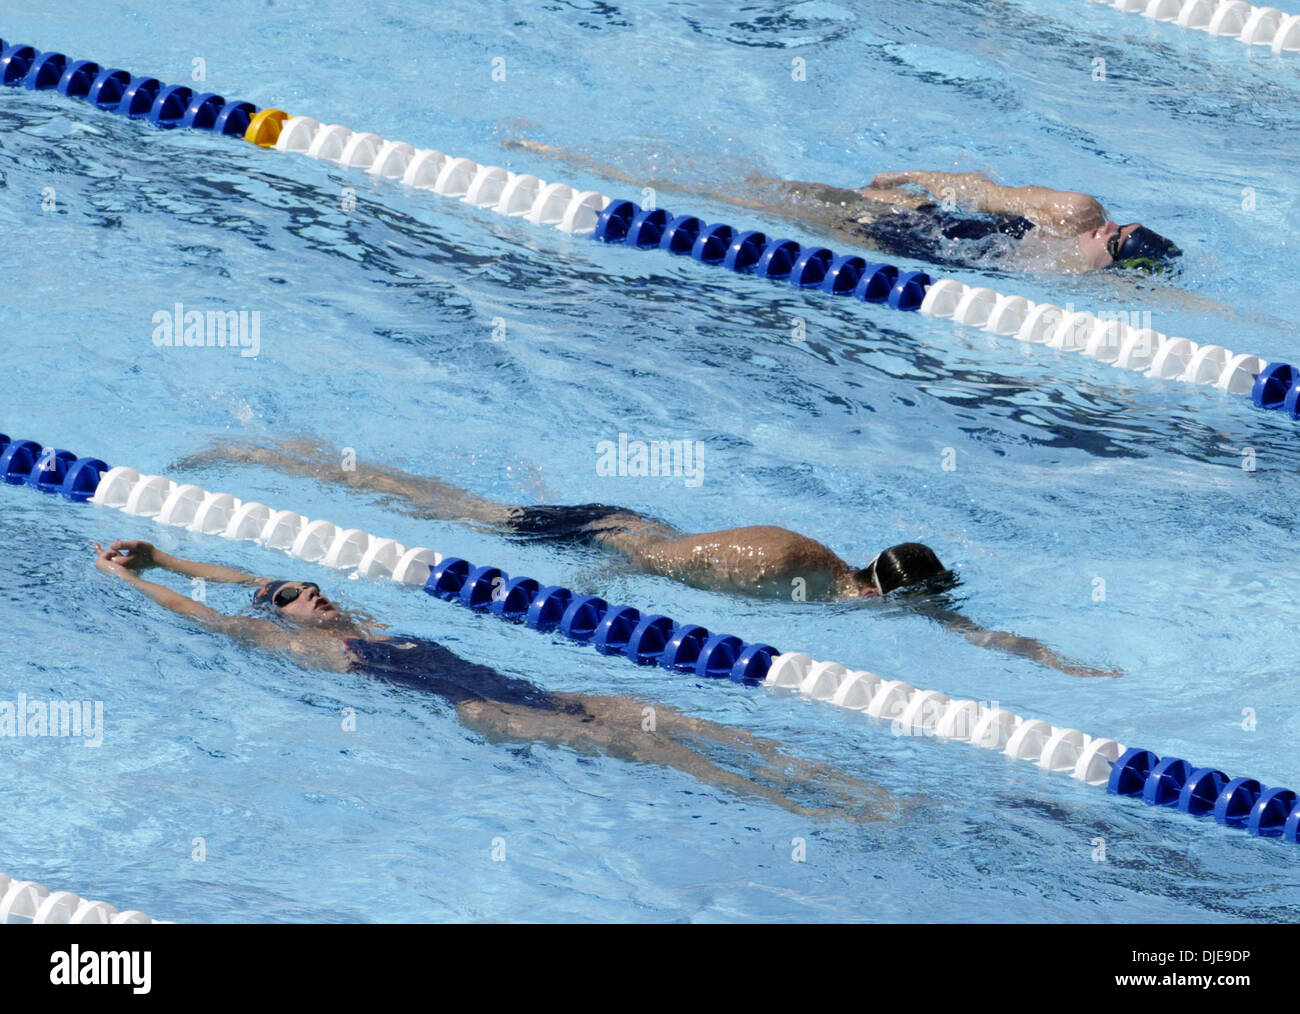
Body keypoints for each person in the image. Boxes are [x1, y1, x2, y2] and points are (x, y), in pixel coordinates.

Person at [91, 538, 896, 822]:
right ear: (284, 617)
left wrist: (166, 553)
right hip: (482, 711)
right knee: (630, 744)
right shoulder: (307, 648)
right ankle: (787, 804)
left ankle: (828, 779)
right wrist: (141, 582)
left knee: (656, 712)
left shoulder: (359, 620)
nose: (317, 591)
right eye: (298, 596)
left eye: (312, 584)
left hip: (524, 689)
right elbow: (214, 611)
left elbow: (243, 575)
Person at [177, 437, 1121, 678]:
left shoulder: (848, 589)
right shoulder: (786, 567)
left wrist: (1048, 657)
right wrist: (586, 595)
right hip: (612, 536)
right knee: (460, 512)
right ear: (888, 592)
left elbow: (960, 626)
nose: (929, 617)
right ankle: (285, 462)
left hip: (643, 539)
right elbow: (665, 566)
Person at [502, 138, 1181, 275]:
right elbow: (987, 192)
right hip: (906, 218)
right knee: (750, 197)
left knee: (772, 214)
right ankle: (577, 159)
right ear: (1114, 226)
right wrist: (918, 176)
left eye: (1115, 256)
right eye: (1114, 241)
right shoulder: (1074, 213)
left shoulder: (1085, 275)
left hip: (900, 252)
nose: (1106, 246)